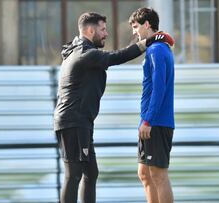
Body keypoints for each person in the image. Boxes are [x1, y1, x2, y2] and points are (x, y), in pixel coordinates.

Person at [54, 12, 174, 203]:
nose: (106, 34)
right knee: (74, 174)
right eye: (102, 29)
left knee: (90, 173)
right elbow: (117, 57)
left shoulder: (79, 50)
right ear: (91, 30)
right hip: (74, 122)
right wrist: (148, 41)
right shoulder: (85, 53)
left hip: (81, 122)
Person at [129, 8, 175, 203]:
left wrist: (148, 120)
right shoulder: (156, 47)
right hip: (148, 120)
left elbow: (159, 88)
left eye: (136, 26)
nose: (134, 32)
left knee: (158, 175)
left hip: (156, 121)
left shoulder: (157, 49)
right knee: (145, 173)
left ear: (147, 24)